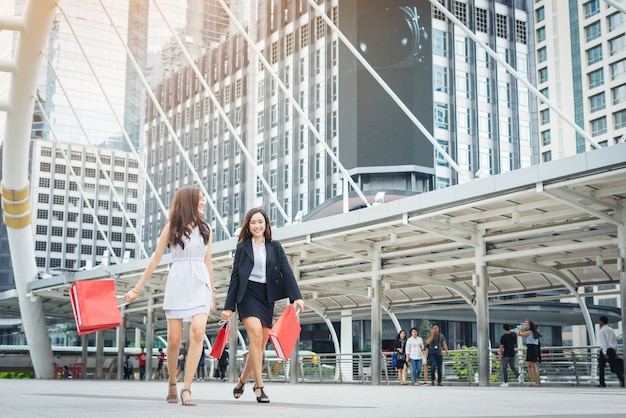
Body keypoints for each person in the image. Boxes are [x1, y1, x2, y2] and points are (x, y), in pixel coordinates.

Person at [124, 186, 216, 406]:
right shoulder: (171, 228)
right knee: (174, 342)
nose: (203, 202)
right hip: (178, 283)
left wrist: (213, 291)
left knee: (197, 333)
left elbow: (208, 261)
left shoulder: (206, 228)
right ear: (188, 202)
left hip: (200, 283)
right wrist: (137, 288)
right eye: (199, 199)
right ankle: (172, 382)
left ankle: (187, 388)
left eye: (203, 199)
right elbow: (155, 259)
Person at [221, 208, 305, 404]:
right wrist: (228, 307)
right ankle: (260, 386)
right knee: (256, 335)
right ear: (248, 226)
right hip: (247, 294)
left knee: (259, 344)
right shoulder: (242, 248)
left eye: (260, 222)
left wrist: (296, 297)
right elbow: (235, 277)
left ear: (266, 224)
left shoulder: (275, 247)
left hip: (267, 296)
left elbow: (286, 271)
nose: (257, 226)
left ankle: (242, 380)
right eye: (253, 222)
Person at [597, 315, 625, 388]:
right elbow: (614, 341)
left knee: (601, 367)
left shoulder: (602, 330)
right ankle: (622, 380)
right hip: (612, 350)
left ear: (601, 322)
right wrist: (615, 350)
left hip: (605, 351)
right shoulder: (611, 330)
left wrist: (604, 352)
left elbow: (604, 342)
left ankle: (602, 383)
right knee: (614, 367)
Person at [517, 320, 541, 387]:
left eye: (527, 325)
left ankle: (536, 382)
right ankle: (532, 381)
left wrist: (521, 327)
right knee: (530, 366)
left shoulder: (529, 332)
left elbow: (518, 334)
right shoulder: (535, 332)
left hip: (532, 348)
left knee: (533, 366)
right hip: (532, 348)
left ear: (530, 326)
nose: (526, 326)